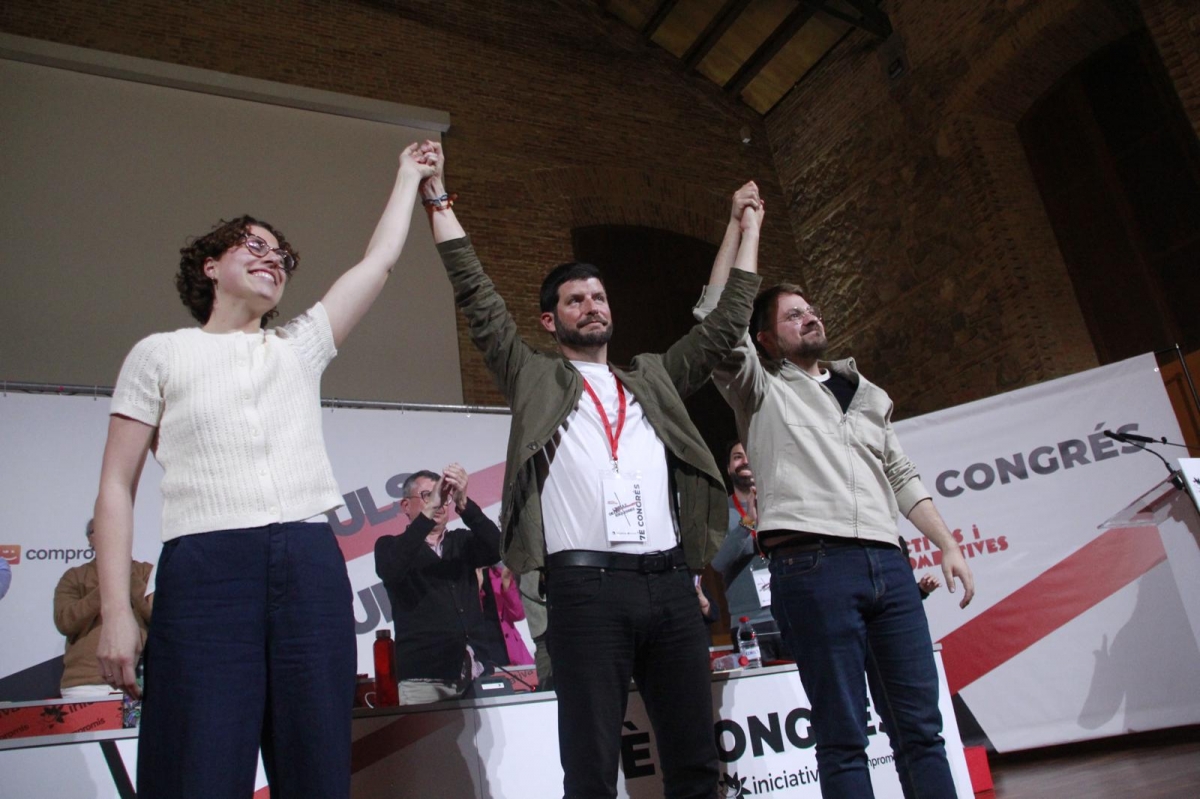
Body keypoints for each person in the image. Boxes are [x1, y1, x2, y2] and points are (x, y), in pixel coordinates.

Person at [418, 140, 763, 799]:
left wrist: (747, 230)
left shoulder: (653, 377)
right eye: (575, 300)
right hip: (585, 592)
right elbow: (478, 296)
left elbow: (725, 327)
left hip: (669, 588)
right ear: (552, 319)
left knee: (694, 764)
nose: (591, 305)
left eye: (599, 296)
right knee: (590, 768)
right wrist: (437, 196)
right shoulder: (535, 376)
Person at [90, 143, 436, 799]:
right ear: (210, 266)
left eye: (280, 253)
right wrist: (117, 611)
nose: (272, 256)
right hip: (205, 569)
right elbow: (115, 485)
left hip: (308, 564)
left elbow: (380, 261)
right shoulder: (159, 354)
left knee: (317, 770)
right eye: (253, 245)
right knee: (198, 769)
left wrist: (408, 174)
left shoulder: (298, 346)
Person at [694, 181, 975, 799]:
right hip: (813, 566)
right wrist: (743, 226)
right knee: (843, 738)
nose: (810, 316)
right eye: (792, 315)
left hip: (889, 563)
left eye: (810, 308)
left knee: (921, 730)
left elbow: (901, 477)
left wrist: (946, 543)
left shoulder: (866, 392)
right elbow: (716, 314)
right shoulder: (759, 387)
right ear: (765, 339)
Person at [374, 465, 502, 704]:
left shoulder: (461, 542)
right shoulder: (390, 546)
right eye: (427, 496)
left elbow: (496, 548)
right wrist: (427, 514)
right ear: (405, 506)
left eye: (444, 496)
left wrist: (463, 502)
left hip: (475, 672)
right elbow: (391, 570)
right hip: (423, 679)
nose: (439, 503)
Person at [54, 520, 153, 699]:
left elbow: (159, 616)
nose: (108, 535)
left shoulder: (146, 571)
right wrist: (108, 584)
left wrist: (126, 574)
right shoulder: (74, 576)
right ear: (89, 540)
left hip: (141, 680)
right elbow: (65, 622)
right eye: (98, 531)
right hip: (85, 683)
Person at [710, 442, 787, 661]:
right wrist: (748, 522)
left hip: (790, 616)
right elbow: (717, 562)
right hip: (748, 624)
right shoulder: (720, 513)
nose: (744, 461)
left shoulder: (778, 505)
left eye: (749, 456)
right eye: (737, 457)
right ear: (728, 468)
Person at [478, 564, 535, 667]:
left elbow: (518, 614)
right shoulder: (465, 579)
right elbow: (470, 616)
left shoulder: (498, 573)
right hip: (482, 654)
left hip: (510, 652)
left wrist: (507, 584)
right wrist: (477, 588)